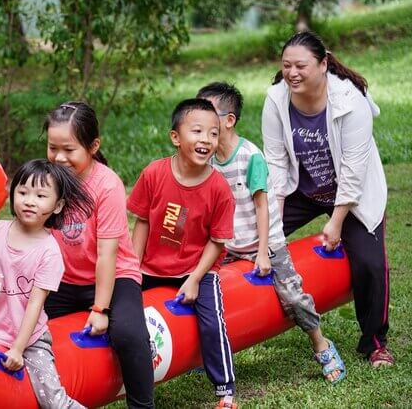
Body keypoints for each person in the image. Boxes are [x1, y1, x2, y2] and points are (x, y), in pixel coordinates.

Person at [261, 30, 393, 367]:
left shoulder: (351, 99)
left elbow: (353, 170)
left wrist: (335, 224)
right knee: (245, 237)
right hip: (302, 190)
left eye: (301, 65)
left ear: (323, 63)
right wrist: (272, 222)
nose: (292, 73)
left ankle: (375, 343)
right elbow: (275, 161)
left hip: (352, 195)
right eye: (287, 65)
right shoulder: (277, 99)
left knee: (370, 264)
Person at [199, 82, 346, 383]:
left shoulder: (249, 156)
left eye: (206, 112)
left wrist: (264, 251)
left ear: (228, 120)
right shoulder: (208, 161)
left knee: (292, 296)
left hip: (265, 241)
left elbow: (262, 207)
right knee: (207, 292)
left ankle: (321, 342)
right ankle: (211, 349)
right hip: (229, 244)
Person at [127, 98, 237, 409]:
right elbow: (143, 221)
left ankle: (225, 388)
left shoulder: (218, 189)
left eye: (213, 134)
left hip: (197, 268)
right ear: (175, 137)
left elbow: (217, 241)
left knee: (212, 320)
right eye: (197, 131)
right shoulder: (154, 173)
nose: (206, 140)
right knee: (123, 311)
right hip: (151, 267)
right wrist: (133, 269)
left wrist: (194, 279)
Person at [43, 101, 154, 409]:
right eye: (53, 148)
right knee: (30, 332)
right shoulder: (46, 179)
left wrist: (100, 309)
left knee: (129, 335)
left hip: (114, 277)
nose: (59, 158)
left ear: (93, 146)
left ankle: (143, 406)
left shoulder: (106, 185)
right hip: (63, 279)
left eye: (69, 149)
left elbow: (107, 254)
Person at [0, 159, 94, 409]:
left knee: (53, 402)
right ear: (12, 193)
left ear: (58, 205)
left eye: (40, 195)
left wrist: (18, 348)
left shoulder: (49, 252)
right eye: (23, 192)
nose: (29, 201)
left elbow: (35, 305)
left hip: (29, 339)